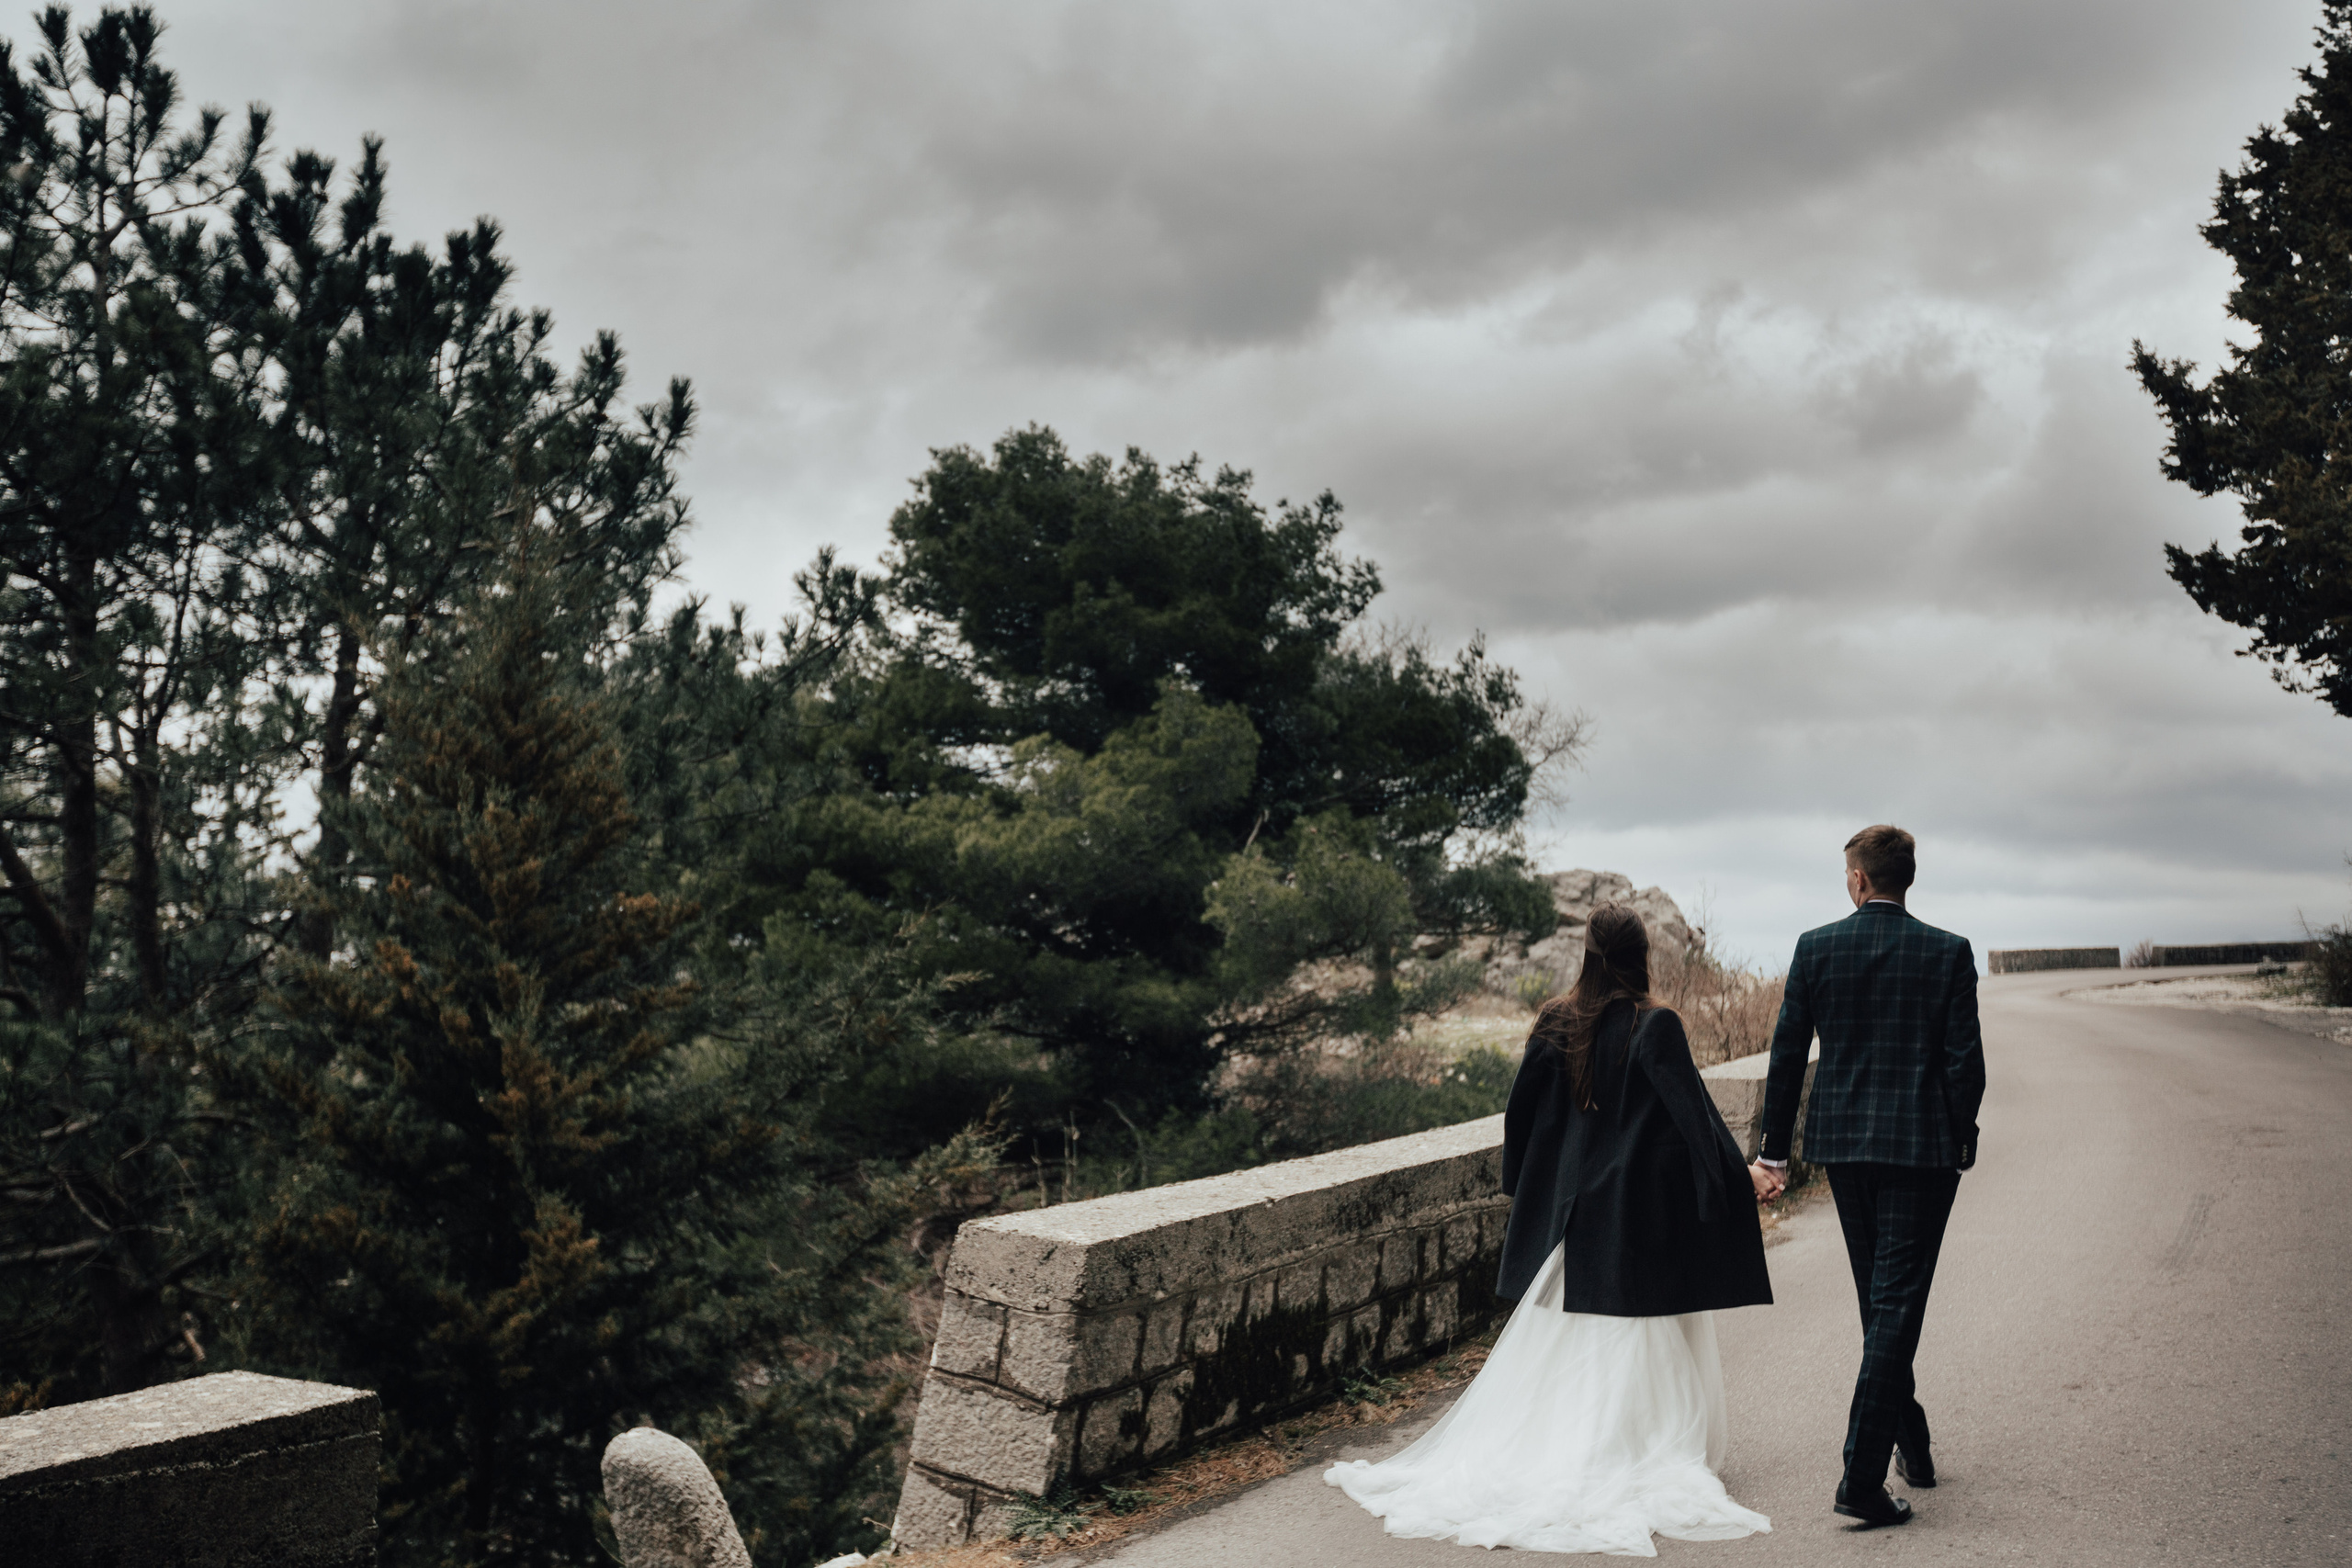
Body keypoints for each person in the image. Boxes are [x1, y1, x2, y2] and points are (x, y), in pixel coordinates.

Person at [1324, 903, 1775, 1557]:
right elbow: (1695, 1118)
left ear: (1588, 952)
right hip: (1635, 1219)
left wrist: (1525, 1187)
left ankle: (1569, 1446)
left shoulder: (1557, 1022)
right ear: (1642, 954)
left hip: (1572, 1216)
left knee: (1569, 1344)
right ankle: (1629, 1452)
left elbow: (1521, 1117)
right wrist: (1739, 1179)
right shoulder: (1657, 1025)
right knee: (1635, 1340)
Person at [1749, 824, 1985, 1529]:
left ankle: (1909, 1442)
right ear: (1904, 878)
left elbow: (1787, 1056)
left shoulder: (1817, 947)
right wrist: (1960, 1136)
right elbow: (1964, 1063)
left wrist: (1772, 1152)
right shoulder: (1948, 952)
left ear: (1858, 880)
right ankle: (1860, 1477)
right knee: (1894, 1305)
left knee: (1882, 1304)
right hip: (1921, 1153)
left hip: (1845, 1151)